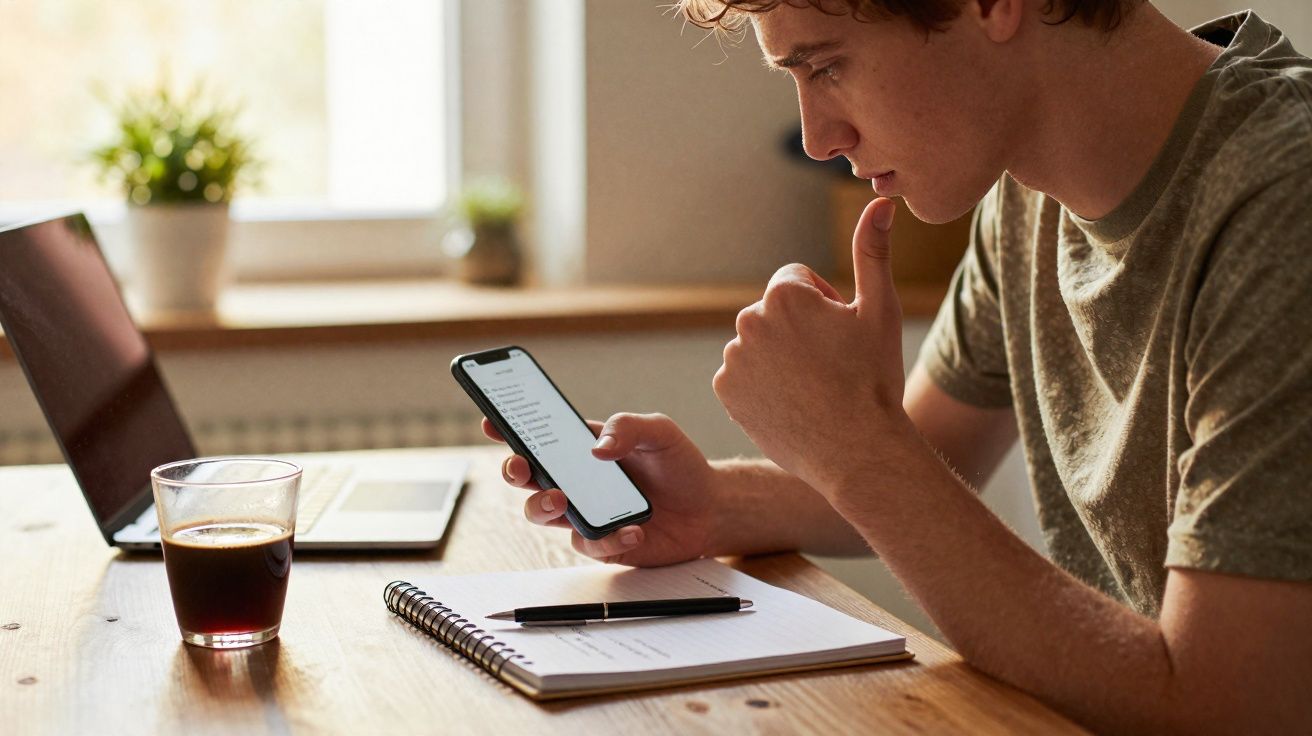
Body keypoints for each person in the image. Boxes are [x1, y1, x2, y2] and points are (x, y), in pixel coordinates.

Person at [481, 1, 1312, 731]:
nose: (816, 137)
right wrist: (715, 505)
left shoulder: (1286, 206)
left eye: (827, 64)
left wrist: (855, 443)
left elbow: (1228, 709)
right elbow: (918, 466)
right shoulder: (1028, 194)